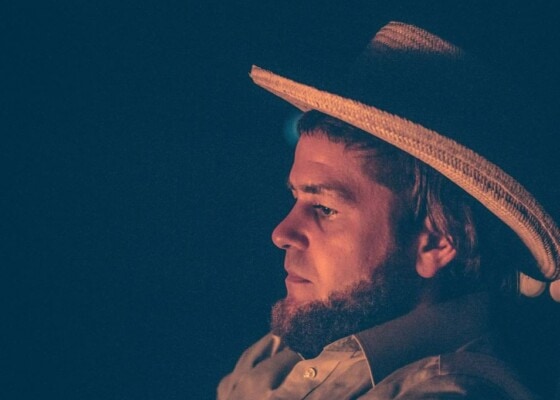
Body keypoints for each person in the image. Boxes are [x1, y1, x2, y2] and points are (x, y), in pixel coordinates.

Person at [217, 21, 560, 399]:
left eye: (325, 208)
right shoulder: (287, 345)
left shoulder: (449, 391)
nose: (281, 232)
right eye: (296, 198)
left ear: (435, 244)